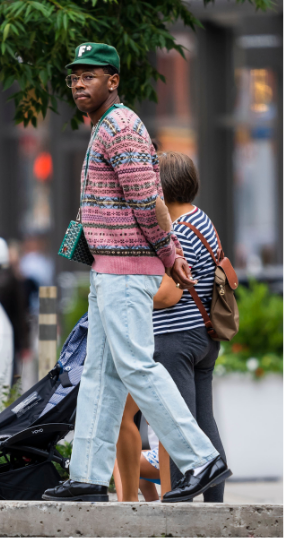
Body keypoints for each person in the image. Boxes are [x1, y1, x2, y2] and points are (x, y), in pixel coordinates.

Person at [42, 43, 230, 503]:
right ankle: (87, 477)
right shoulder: (106, 126)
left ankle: (201, 460)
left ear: (114, 80)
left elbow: (149, 201)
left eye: (91, 75)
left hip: (128, 271)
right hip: (110, 268)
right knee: (102, 376)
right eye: (74, 77)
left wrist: (170, 255)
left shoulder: (122, 127)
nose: (79, 83)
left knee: (136, 366)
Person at [113, 151, 227, 502]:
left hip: (177, 339)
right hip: (205, 339)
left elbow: (167, 296)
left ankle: (179, 502)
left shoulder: (178, 232)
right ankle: (213, 504)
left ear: (160, 188)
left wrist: (127, 295)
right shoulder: (202, 220)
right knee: (202, 423)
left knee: (174, 425)